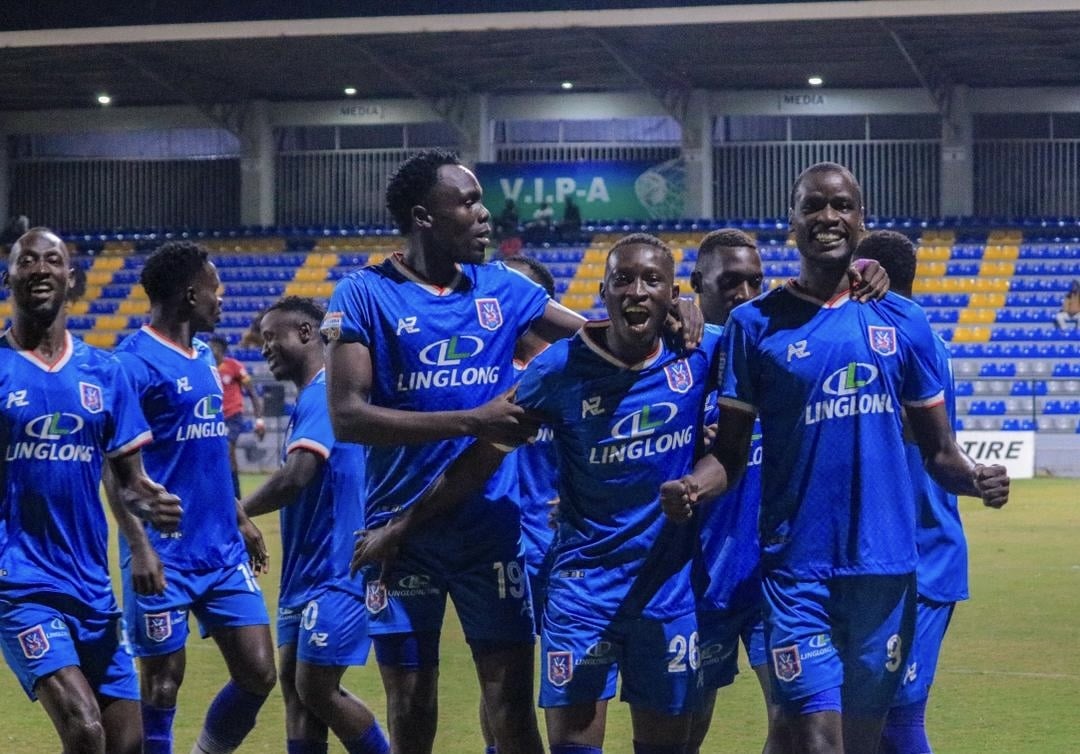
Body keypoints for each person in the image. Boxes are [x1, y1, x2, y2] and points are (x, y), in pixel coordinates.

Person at [325, 149, 702, 754]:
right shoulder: (364, 293)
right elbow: (348, 417)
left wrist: (672, 311)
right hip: (401, 532)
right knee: (412, 706)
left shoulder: (502, 287)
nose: (484, 214)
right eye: (468, 202)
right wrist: (471, 419)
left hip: (489, 529)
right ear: (423, 216)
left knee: (511, 709)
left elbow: (600, 338)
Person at [664, 162, 1010, 754]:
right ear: (791, 222)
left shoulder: (905, 322)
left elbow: (940, 452)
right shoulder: (753, 325)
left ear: (861, 218)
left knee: (862, 741)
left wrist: (977, 477)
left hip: (886, 574)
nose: (828, 217)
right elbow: (730, 455)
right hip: (796, 574)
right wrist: (697, 483)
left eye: (842, 205)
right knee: (818, 739)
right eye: (814, 206)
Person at [0, 228, 182, 754]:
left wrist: (151, 504)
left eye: (52, 260)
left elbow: (129, 482)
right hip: (21, 584)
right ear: (8, 277)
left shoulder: (104, 372)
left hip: (92, 589)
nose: (40, 268)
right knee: (84, 729)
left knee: (127, 742)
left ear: (71, 278)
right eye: (26, 261)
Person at [109, 240, 277, 754]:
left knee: (259, 672)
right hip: (165, 556)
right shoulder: (131, 364)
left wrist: (239, 517)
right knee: (162, 683)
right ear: (189, 294)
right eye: (215, 289)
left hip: (221, 551)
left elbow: (207, 454)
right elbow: (115, 471)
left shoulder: (204, 355)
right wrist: (140, 546)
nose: (221, 299)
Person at [241, 296, 388, 754]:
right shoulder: (310, 398)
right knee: (296, 690)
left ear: (306, 333)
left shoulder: (328, 392)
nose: (265, 348)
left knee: (316, 687)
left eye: (272, 337)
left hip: (337, 568)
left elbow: (296, 476)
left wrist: (236, 513)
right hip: (303, 572)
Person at [854, 230, 977, 754]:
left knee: (897, 721)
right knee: (867, 720)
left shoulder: (903, 342)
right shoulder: (919, 338)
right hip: (885, 555)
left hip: (923, 557)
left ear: (867, 273)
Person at [688, 228, 777, 754]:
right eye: (730, 283)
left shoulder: (777, 352)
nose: (745, 295)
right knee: (683, 732)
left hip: (775, 581)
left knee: (798, 723)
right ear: (697, 283)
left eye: (755, 283)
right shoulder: (676, 359)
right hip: (699, 582)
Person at [208, 334, 266, 498]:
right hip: (214, 417)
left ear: (221, 349)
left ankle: (236, 496)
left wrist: (259, 421)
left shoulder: (234, 366)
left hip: (232, 416)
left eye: (213, 347)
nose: (210, 350)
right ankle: (221, 494)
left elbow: (252, 393)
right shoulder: (206, 368)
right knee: (214, 454)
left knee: (227, 449)